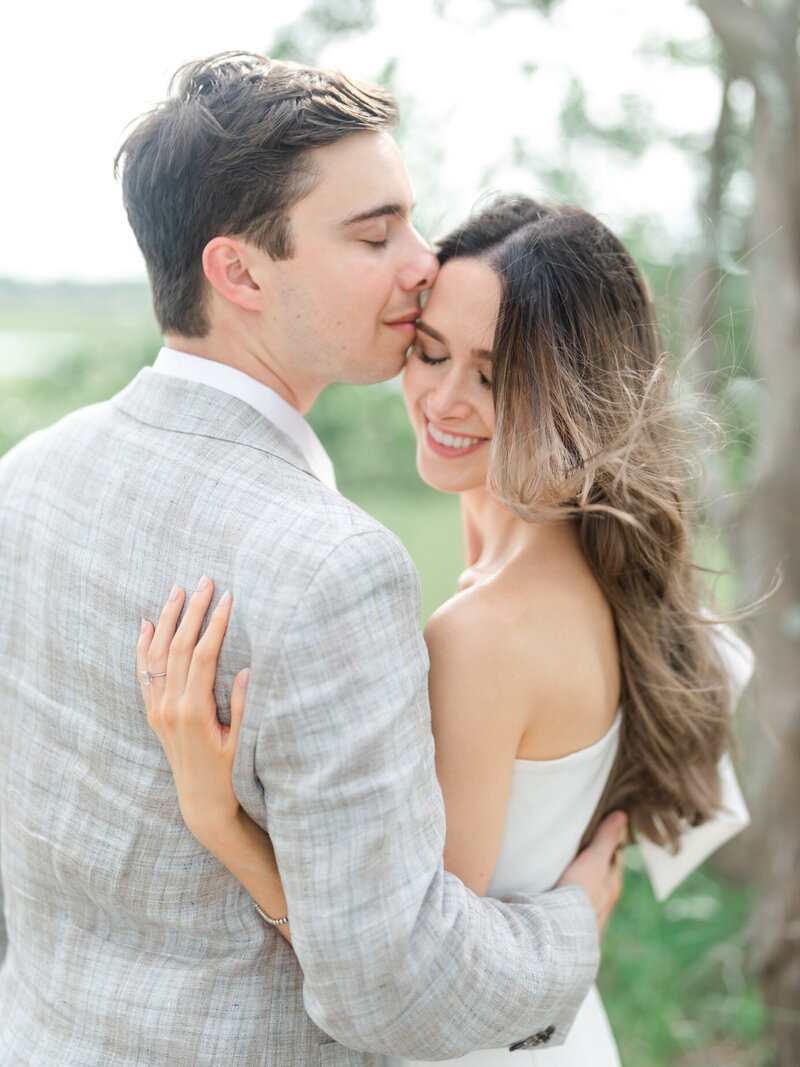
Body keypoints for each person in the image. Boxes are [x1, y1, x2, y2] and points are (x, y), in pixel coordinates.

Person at [0, 54, 625, 1066]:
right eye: (374, 233)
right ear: (238, 271)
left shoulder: (26, 476)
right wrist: (573, 923)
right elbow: (395, 990)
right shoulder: (333, 566)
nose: (423, 263)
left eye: (412, 222)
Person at [138, 196, 741, 1065]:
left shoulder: (488, 632)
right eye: (430, 352)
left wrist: (217, 814)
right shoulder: (586, 556)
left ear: (573, 392)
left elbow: (418, 978)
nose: (445, 399)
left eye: (495, 376)